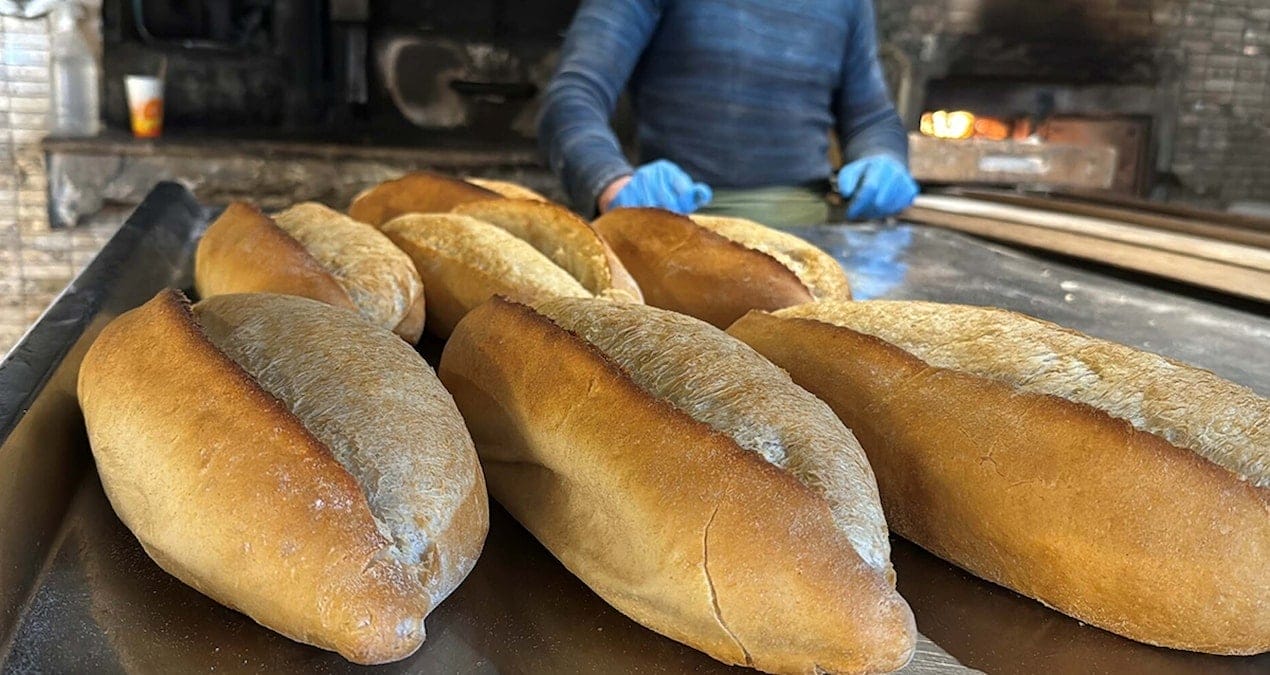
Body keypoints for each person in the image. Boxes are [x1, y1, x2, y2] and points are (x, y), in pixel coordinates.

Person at [537, 0, 919, 228]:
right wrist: (610, 183)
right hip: (680, 225)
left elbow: (871, 118)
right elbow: (574, 95)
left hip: (812, 231)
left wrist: (882, 158)